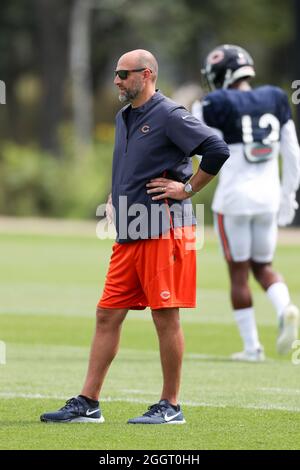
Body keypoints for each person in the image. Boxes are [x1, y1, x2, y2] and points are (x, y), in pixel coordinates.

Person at [40, 49, 229, 424]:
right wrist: (116, 194)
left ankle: (171, 406)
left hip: (166, 230)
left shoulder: (170, 114)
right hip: (131, 232)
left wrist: (187, 189)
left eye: (124, 74)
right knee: (107, 314)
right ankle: (88, 402)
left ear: (146, 75)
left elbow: (216, 149)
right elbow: (133, 164)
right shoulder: (124, 116)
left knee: (165, 317)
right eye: (115, 74)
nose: (117, 80)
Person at [192, 44, 300, 362]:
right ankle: (286, 308)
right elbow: (293, 152)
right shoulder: (277, 97)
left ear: (220, 76)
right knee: (263, 267)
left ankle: (253, 347)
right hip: (269, 197)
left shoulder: (212, 102)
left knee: (238, 274)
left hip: (234, 199)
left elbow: (201, 149)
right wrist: (289, 196)